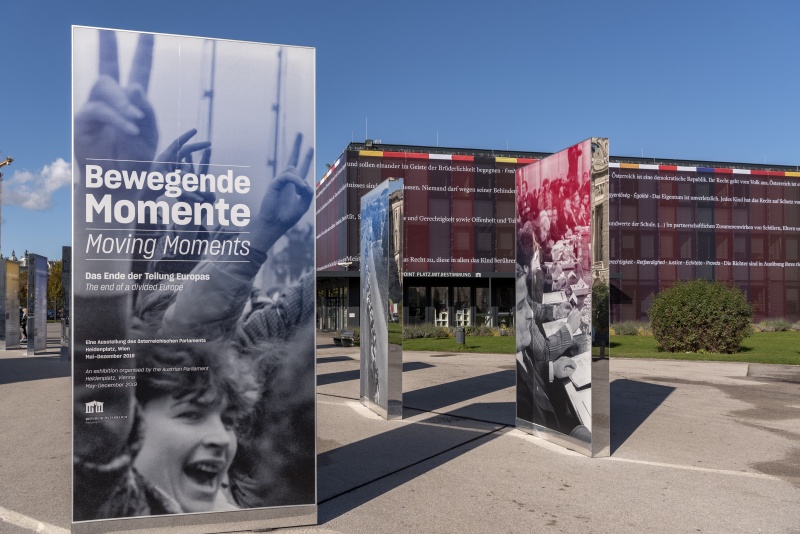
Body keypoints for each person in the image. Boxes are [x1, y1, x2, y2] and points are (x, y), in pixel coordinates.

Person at [515, 232, 590, 442]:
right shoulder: (520, 397)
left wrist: (552, 371)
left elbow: (534, 375)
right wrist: (568, 327)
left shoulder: (520, 358)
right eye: (520, 307)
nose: (529, 313)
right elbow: (545, 351)